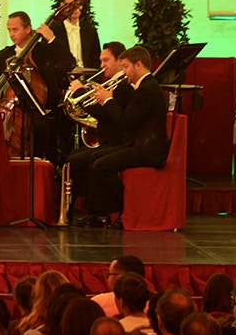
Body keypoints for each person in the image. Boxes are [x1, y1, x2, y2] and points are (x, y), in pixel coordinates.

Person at [66, 45, 168, 227]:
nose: (124, 72)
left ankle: (120, 210)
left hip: (147, 150)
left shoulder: (147, 89)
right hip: (137, 144)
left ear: (138, 65)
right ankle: (99, 213)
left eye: (126, 67)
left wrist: (107, 100)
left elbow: (125, 121)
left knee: (101, 165)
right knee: (96, 157)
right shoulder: (143, 86)